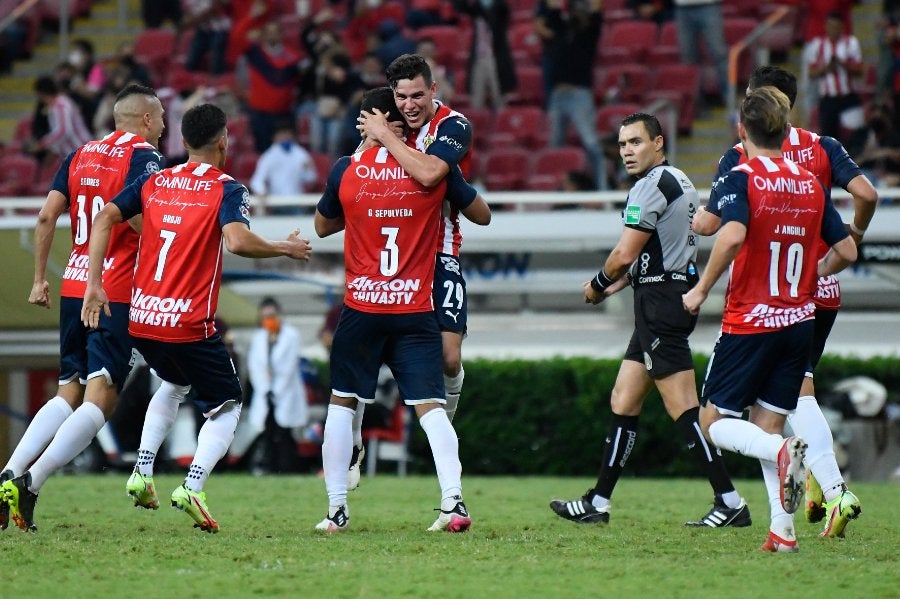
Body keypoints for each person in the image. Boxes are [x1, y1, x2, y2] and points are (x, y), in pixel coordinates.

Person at [81, 103, 312, 533]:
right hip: (188, 322)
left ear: (183, 142)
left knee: (174, 383)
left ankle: (142, 473)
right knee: (230, 404)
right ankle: (193, 485)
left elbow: (106, 217)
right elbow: (238, 242)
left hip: (143, 317)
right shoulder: (228, 188)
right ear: (224, 141)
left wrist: (95, 281)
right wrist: (285, 247)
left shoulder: (154, 180)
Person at [693, 65, 876, 539]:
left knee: (718, 420)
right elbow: (856, 226)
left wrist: (698, 285)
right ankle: (784, 529)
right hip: (808, 305)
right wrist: (822, 264)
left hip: (754, 312)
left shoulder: (740, 166)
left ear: (746, 119)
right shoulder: (815, 165)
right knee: (779, 410)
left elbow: (721, 230)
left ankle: (826, 484)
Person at [548, 112, 748, 528]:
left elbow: (624, 255)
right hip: (662, 296)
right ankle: (599, 502)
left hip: (660, 305)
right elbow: (653, 256)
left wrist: (598, 285)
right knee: (624, 398)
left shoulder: (651, 185)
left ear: (658, 143)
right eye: (622, 145)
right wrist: (616, 285)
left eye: (636, 142)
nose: (627, 151)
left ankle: (730, 500)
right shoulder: (680, 180)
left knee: (685, 409)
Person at [313, 86, 491, 533]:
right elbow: (480, 212)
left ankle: (336, 509)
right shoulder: (431, 173)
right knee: (429, 407)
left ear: (379, 124)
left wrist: (367, 149)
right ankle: (454, 501)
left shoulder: (346, 169)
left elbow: (321, 225)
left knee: (341, 401)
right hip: (414, 305)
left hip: (363, 305)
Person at [0, 84, 166, 532]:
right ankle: (33, 481)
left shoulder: (80, 154)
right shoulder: (146, 159)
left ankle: (9, 473)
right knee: (101, 399)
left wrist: (39, 279)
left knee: (67, 388)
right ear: (146, 120)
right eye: (162, 117)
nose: (166, 126)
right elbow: (135, 220)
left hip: (73, 284)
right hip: (114, 290)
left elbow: (45, 216)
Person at [355, 54, 477, 480]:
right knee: (362, 359)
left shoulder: (453, 126)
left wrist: (385, 140)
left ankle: (447, 412)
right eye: (401, 97)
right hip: (386, 257)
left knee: (448, 355)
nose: (409, 105)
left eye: (417, 95)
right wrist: (372, 142)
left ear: (433, 91)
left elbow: (429, 175)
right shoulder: (384, 126)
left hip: (438, 254)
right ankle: (352, 443)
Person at [540, 0, 606, 189]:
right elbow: (552, 12)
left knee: (591, 143)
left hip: (580, 93)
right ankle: (556, 191)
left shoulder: (589, 32)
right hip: (558, 94)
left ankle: (602, 190)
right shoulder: (561, 30)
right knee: (555, 148)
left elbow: (596, 10)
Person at [245, 297, 308, 474]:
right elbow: (255, 366)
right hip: (265, 392)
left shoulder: (291, 335)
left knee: (285, 433)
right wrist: (265, 388)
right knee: (267, 432)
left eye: (272, 315)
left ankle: (287, 468)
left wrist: (276, 388)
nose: (269, 320)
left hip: (285, 391)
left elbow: (289, 365)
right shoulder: (259, 338)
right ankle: (270, 468)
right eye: (265, 316)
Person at [804, 12, 865, 143]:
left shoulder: (851, 43)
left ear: (842, 27)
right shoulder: (817, 45)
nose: (833, 30)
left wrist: (842, 64)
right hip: (828, 100)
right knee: (829, 140)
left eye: (837, 27)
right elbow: (811, 73)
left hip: (848, 97)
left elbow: (859, 70)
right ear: (825, 26)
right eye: (831, 26)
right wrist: (827, 68)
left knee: (855, 135)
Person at [454, 0, 518, 111]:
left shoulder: (500, 7)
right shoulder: (477, 9)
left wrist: (483, 5)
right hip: (479, 58)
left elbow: (495, 15)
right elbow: (460, 7)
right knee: (476, 100)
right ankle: (477, 125)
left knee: (499, 97)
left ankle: (501, 123)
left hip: (496, 57)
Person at [249, 124, 318, 214]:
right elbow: (257, 180)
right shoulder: (268, 156)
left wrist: (308, 169)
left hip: (296, 202)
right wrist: (261, 191)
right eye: (281, 135)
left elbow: (311, 178)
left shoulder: (301, 154)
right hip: (276, 203)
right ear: (274, 137)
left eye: (287, 134)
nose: (285, 137)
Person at [672, 0, 728, 104]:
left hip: (709, 6)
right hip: (682, 9)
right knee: (688, 59)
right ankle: (696, 105)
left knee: (719, 54)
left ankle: (730, 99)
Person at [29, 75, 92, 160]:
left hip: (81, 151)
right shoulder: (56, 105)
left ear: (42, 93)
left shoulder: (61, 105)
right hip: (75, 153)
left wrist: (42, 144)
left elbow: (63, 131)